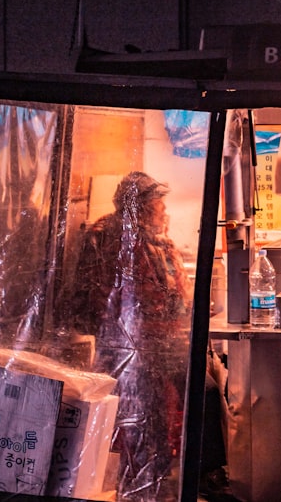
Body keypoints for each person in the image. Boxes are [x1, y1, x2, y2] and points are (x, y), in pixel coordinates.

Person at [69, 171, 192, 502]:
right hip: (134, 350)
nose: (164, 211)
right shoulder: (116, 238)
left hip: (157, 347)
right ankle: (141, 490)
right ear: (141, 207)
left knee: (154, 421)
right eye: (158, 204)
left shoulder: (149, 239)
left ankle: (151, 486)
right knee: (137, 423)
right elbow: (144, 299)